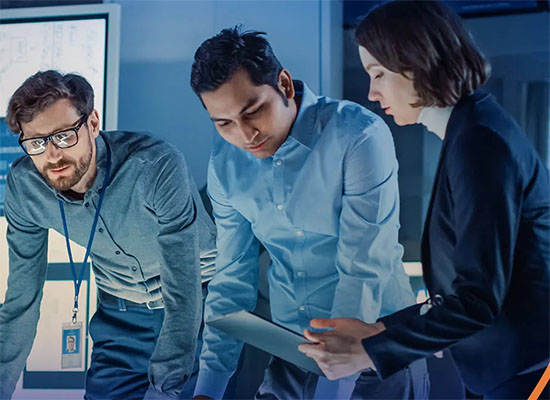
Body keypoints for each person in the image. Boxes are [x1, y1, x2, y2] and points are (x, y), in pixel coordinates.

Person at [299, 2, 550, 399]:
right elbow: (461, 296)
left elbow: (477, 301)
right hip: (510, 369)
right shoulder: (472, 132)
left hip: (526, 370)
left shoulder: (479, 143)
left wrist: (368, 352)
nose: (372, 92)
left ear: (416, 62)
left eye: (378, 74)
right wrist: (379, 331)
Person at [190, 26, 429, 400]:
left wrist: (333, 390)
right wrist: (208, 389)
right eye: (224, 123)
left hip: (372, 351)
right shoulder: (225, 163)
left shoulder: (357, 135)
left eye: (254, 111)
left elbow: (361, 269)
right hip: (293, 351)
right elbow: (231, 281)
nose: (245, 134)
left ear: (284, 85)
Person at [0, 70, 217, 400]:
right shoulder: (25, 187)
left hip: (199, 305)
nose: (52, 155)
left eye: (63, 136)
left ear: (93, 123)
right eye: (36, 143)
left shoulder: (154, 164)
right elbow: (21, 301)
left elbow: (183, 288)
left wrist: (164, 390)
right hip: (121, 317)